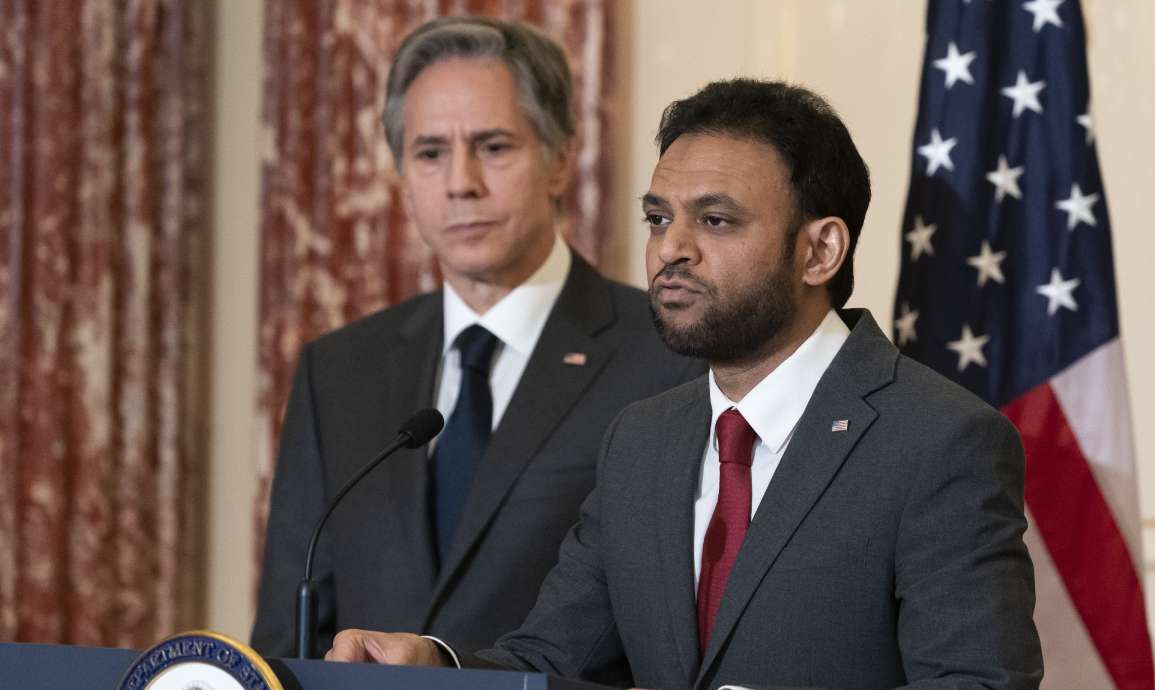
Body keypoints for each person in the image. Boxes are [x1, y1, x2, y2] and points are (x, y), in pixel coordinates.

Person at [324, 79, 1044, 689]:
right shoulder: (641, 439)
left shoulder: (940, 441)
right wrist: (433, 665)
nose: (670, 248)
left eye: (716, 220)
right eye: (658, 218)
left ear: (820, 250)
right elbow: (550, 661)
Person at [251, 17, 703, 657]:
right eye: (430, 153)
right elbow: (288, 638)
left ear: (559, 161)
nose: (460, 182)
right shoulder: (340, 370)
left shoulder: (667, 354)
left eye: (492, 147)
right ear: (402, 176)